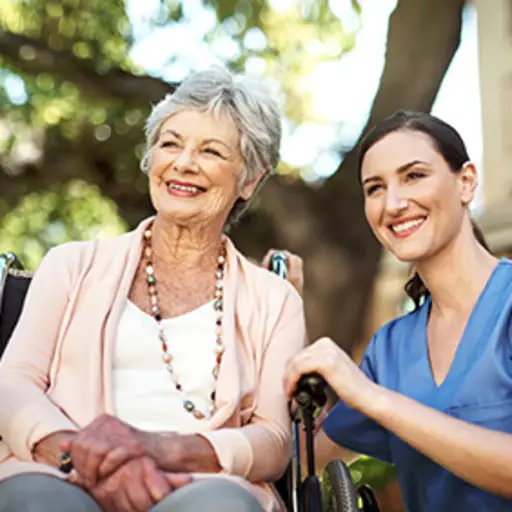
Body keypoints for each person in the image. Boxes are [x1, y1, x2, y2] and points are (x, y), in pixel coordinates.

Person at [0, 66, 307, 512]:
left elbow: (275, 439)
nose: (183, 163)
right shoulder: (71, 264)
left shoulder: (275, 300)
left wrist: (157, 451)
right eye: (170, 144)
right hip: (61, 474)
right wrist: (82, 456)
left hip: (201, 485)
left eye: (211, 151)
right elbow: (13, 382)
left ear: (250, 180)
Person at [283, 111, 512, 511]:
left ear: (466, 181)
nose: (394, 203)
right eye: (375, 188)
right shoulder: (390, 349)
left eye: (414, 176)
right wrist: (277, 310)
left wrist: (374, 399)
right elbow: (303, 462)